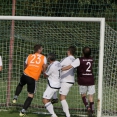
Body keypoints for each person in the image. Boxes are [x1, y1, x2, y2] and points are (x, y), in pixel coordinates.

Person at [12, 44, 47, 117]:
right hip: (32, 77)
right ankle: (22, 112)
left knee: (20, 84)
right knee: (30, 95)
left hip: (25, 74)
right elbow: (44, 66)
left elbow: (25, 65)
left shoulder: (30, 56)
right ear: (39, 50)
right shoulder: (44, 57)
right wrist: (44, 72)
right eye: (41, 48)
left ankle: (15, 97)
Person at [62, 47, 95, 117]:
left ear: (82, 52)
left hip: (82, 80)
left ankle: (87, 107)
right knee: (91, 96)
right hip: (91, 79)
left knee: (83, 94)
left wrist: (60, 68)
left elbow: (69, 67)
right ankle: (92, 110)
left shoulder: (79, 60)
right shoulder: (92, 59)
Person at [52, 46, 76, 117]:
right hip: (70, 80)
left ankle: (68, 115)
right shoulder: (74, 59)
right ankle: (54, 98)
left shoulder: (67, 59)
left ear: (69, 51)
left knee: (62, 98)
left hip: (65, 80)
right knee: (54, 86)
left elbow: (58, 65)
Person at [42, 53, 61, 117]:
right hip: (58, 84)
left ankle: (53, 115)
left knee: (45, 100)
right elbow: (54, 68)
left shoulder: (51, 66)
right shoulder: (58, 63)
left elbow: (45, 75)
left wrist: (44, 68)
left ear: (49, 59)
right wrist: (48, 66)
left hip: (52, 85)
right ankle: (53, 113)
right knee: (48, 100)